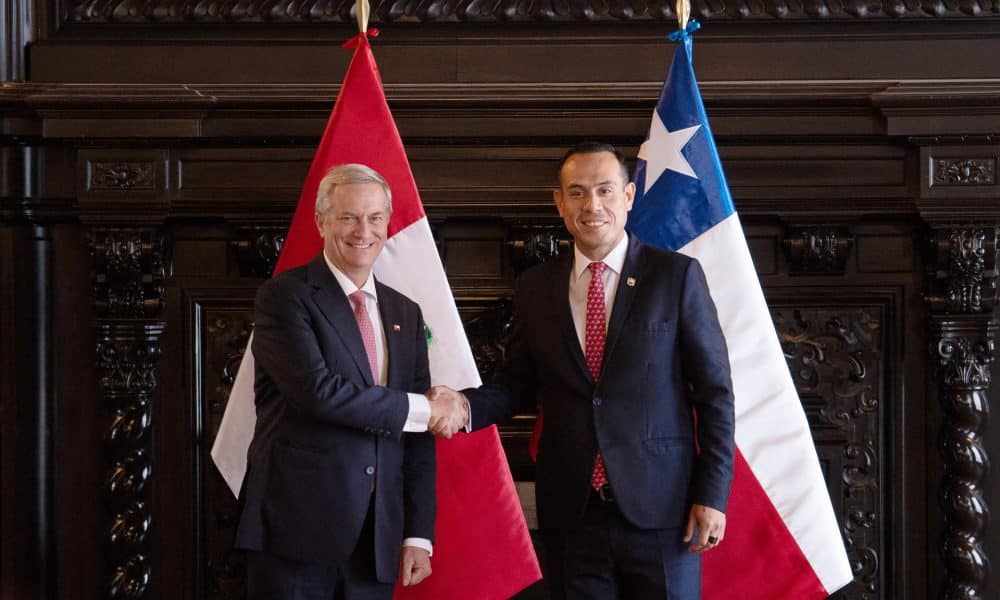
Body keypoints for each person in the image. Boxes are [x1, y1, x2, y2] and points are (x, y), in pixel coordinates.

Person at [429, 142, 735, 599]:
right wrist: (465, 405)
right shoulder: (536, 286)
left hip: (662, 512)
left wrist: (712, 495)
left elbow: (715, 394)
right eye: (577, 193)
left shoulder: (676, 277)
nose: (592, 206)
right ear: (560, 202)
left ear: (629, 197)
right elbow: (516, 384)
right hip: (572, 516)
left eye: (605, 191)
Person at [234, 163, 466, 599]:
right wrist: (425, 408)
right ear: (321, 221)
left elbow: (417, 438)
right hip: (295, 535)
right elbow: (318, 394)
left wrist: (418, 533)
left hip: (375, 540)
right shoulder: (285, 297)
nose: (364, 230)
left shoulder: (405, 313)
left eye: (375, 217)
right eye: (348, 217)